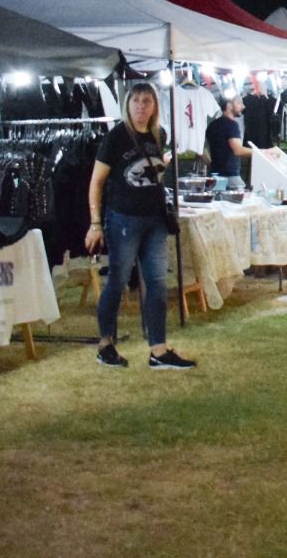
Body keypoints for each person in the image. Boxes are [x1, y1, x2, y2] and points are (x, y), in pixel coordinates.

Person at [85, 81, 196, 370]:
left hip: (155, 219)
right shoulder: (116, 137)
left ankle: (158, 349)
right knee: (118, 281)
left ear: (154, 106)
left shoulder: (160, 135)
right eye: (136, 101)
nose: (141, 107)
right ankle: (105, 344)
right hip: (123, 218)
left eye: (147, 101)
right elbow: (96, 182)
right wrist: (95, 222)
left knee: (157, 283)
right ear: (127, 104)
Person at [204, 91, 252, 190]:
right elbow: (238, 150)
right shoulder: (232, 125)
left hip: (214, 177)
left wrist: (212, 165)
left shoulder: (212, 125)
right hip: (231, 178)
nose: (243, 106)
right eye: (239, 103)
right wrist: (261, 153)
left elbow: (200, 150)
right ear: (229, 105)